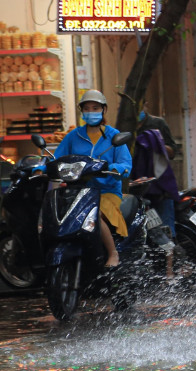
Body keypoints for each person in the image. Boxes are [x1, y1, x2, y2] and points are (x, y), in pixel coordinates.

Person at [49, 90, 132, 267]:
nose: (91, 112)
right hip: (78, 191)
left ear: (104, 110)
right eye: (87, 108)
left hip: (107, 192)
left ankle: (112, 253)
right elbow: (57, 158)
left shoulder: (113, 135)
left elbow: (126, 163)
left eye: (95, 108)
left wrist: (116, 167)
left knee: (94, 214)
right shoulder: (73, 136)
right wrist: (43, 167)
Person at [134, 101, 180, 237]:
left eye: (139, 106)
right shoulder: (126, 128)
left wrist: (157, 144)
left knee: (166, 232)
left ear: (145, 105)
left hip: (160, 188)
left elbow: (173, 152)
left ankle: (170, 256)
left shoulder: (158, 124)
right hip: (137, 190)